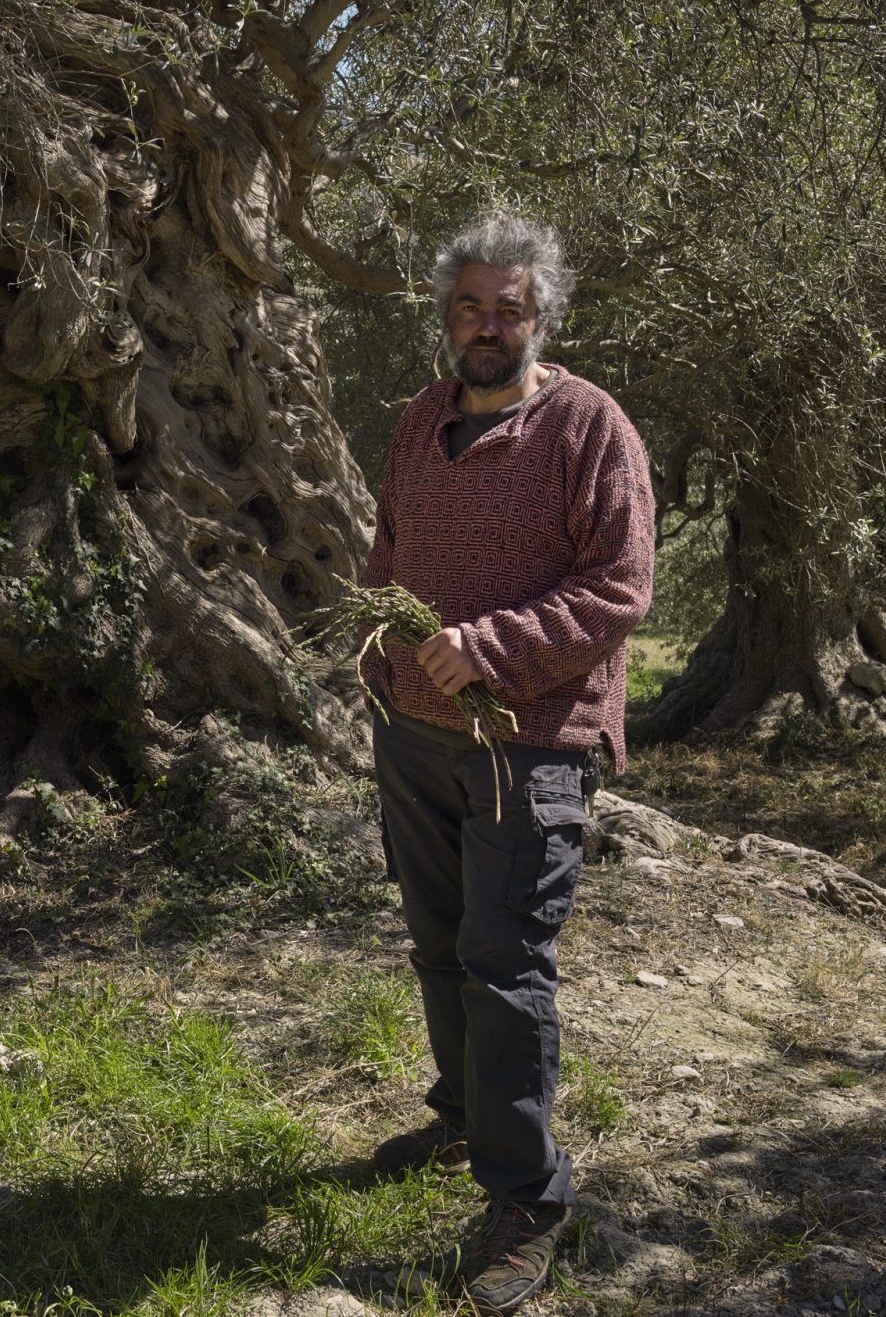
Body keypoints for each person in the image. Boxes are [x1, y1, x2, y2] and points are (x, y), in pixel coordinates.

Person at [360, 210, 656, 1312]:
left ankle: (528, 1196)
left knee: (504, 963)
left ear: (543, 318)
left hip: (528, 747)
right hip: (416, 737)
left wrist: (482, 650)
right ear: (448, 316)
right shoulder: (419, 421)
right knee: (438, 947)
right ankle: (464, 1120)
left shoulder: (587, 426)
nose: (489, 325)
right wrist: (395, 665)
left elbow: (620, 587)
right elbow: (389, 549)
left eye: (510, 308)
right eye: (470, 307)